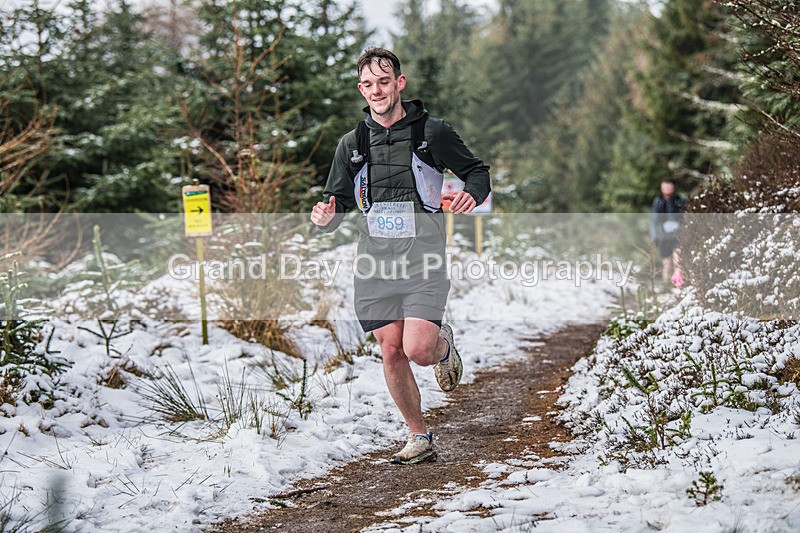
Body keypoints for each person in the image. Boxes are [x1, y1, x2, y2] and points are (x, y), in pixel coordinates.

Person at [310, 47, 491, 464]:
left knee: (418, 350)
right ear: (362, 89)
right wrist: (326, 214)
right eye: (369, 84)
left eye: (385, 81)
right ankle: (419, 436)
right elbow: (336, 200)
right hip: (374, 260)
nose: (377, 90)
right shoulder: (351, 143)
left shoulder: (433, 133)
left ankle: (442, 346)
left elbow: (477, 171)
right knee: (390, 349)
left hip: (423, 257)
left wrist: (469, 193)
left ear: (400, 83)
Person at [650, 179, 686, 287]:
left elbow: (685, 217)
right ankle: (666, 286)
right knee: (666, 264)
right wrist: (655, 237)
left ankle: (678, 284)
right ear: (661, 188)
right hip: (663, 237)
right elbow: (654, 221)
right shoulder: (658, 201)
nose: (667, 190)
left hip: (677, 235)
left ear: (673, 188)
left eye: (669, 187)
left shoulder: (679, 200)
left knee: (678, 261)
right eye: (664, 187)